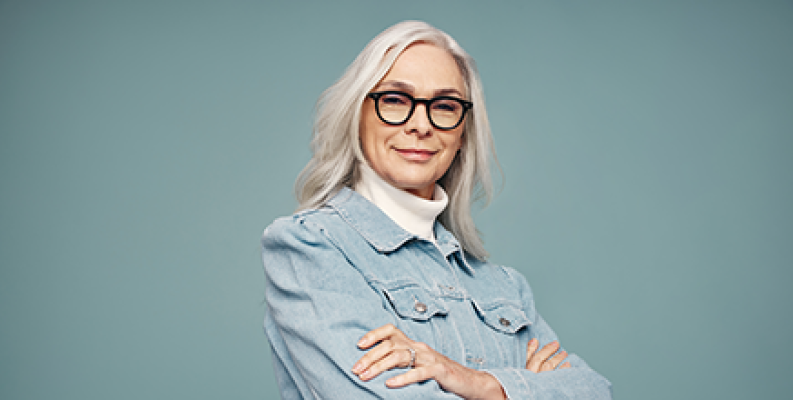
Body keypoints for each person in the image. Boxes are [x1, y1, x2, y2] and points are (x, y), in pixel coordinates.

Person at [262, 21, 612, 399]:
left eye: (444, 106)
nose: (421, 125)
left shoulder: (505, 287)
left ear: (462, 134)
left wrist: (474, 382)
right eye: (395, 100)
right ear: (356, 115)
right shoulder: (310, 247)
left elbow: (595, 391)